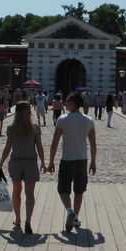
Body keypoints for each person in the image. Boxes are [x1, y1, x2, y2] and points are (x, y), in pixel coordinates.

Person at [47, 93, 96, 233]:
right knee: (79, 190)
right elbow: (93, 144)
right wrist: (93, 162)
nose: (65, 103)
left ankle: (69, 212)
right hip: (82, 160)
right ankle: (76, 217)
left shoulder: (62, 119)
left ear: (73, 103)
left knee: (63, 189)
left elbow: (55, 142)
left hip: (67, 159)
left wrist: (51, 161)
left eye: (67, 101)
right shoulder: (88, 120)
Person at [0, 101, 47, 235]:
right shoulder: (35, 128)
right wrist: (43, 162)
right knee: (30, 194)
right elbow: (39, 147)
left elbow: (8, 148)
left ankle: (18, 219)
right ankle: (28, 220)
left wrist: (1, 162)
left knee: (16, 191)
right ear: (28, 112)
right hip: (30, 162)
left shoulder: (12, 128)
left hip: (16, 162)